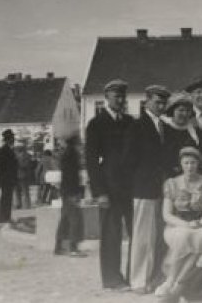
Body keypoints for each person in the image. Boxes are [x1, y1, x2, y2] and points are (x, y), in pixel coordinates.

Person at [85, 78, 135, 290]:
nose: (120, 100)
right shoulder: (96, 124)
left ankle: (135, 275)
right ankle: (112, 279)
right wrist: (99, 192)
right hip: (109, 187)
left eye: (123, 96)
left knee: (136, 232)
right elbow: (91, 161)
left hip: (131, 187)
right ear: (106, 98)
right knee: (111, 234)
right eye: (116, 95)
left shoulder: (130, 122)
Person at [124, 84, 172, 294]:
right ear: (147, 101)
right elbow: (128, 158)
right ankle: (137, 280)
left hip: (159, 188)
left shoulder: (163, 126)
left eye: (163, 103)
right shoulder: (137, 126)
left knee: (155, 236)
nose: (160, 106)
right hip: (143, 188)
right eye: (157, 102)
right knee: (143, 236)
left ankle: (151, 276)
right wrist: (137, 182)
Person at [157, 147, 202, 298]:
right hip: (175, 226)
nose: (189, 167)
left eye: (193, 163)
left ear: (198, 164)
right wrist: (185, 224)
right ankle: (171, 280)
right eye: (186, 163)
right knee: (183, 236)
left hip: (197, 224)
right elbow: (166, 215)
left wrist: (201, 222)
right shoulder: (172, 183)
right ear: (181, 164)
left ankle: (180, 282)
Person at [55, 134, 86, 257]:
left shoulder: (67, 154)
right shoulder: (72, 154)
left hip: (66, 190)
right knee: (75, 219)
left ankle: (59, 246)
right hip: (71, 191)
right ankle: (73, 248)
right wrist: (76, 192)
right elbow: (72, 176)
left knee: (65, 219)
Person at [163, 94, 202, 177]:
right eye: (181, 110)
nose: (185, 114)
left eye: (187, 111)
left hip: (192, 176)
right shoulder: (164, 130)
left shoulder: (196, 132)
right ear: (173, 111)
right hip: (168, 176)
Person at [0, 129, 18, 224]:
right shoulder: (5, 150)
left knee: (7, 198)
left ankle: (6, 217)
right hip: (6, 178)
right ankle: (3, 218)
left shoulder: (8, 149)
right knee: (5, 198)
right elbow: (0, 167)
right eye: (12, 138)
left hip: (8, 178)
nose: (14, 139)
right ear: (9, 139)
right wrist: (0, 179)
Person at [14, 144, 33, 210]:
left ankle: (23, 205)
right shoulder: (23, 156)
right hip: (19, 175)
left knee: (22, 191)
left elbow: (25, 165)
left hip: (20, 175)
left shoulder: (25, 156)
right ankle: (22, 205)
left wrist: (18, 164)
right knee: (20, 191)